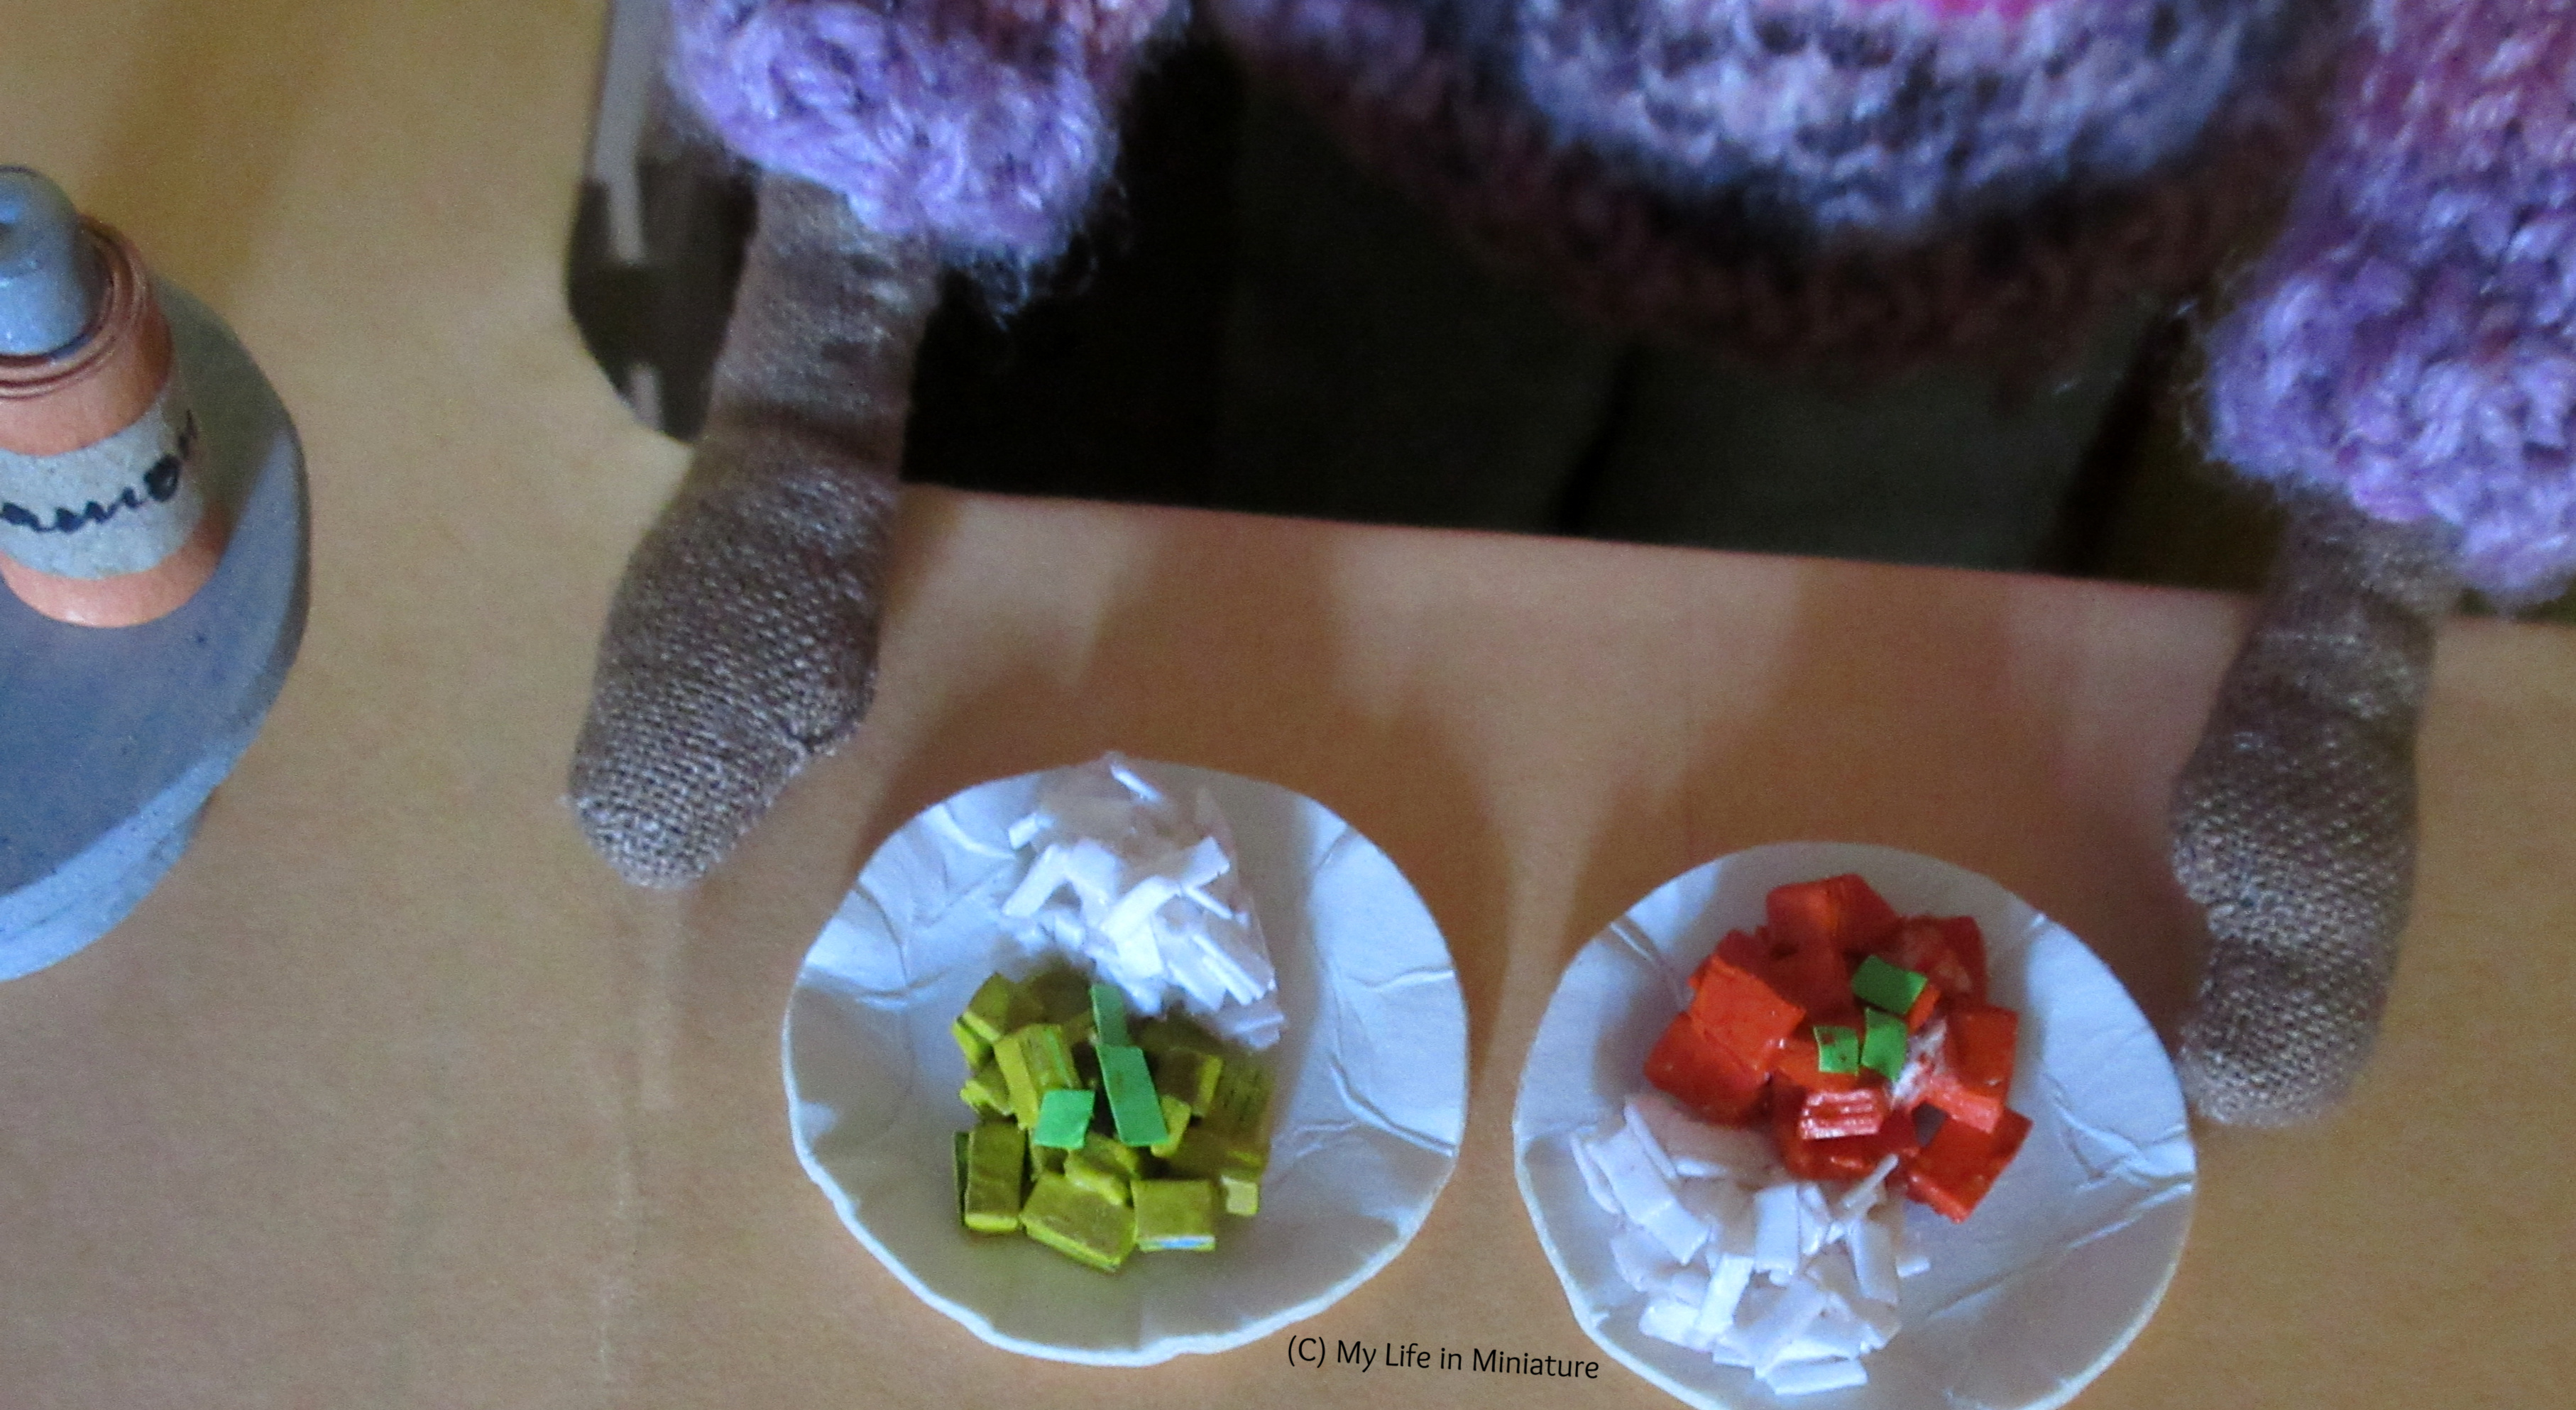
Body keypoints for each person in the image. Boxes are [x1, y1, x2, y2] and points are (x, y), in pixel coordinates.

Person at [569, 0, 2576, 1123]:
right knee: (1332, 521)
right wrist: (810, 383)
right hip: (1408, 106)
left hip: (2007, 247)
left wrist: (2357, 629)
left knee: (1844, 699)